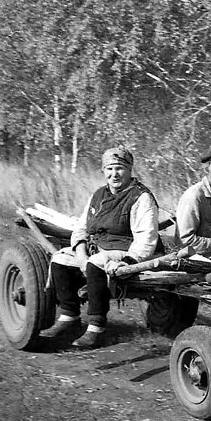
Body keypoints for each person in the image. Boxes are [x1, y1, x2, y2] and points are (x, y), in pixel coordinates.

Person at [42, 146, 160, 348]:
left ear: (130, 170)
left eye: (120, 168)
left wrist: (128, 262)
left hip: (123, 249)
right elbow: (81, 229)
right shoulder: (98, 195)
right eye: (110, 169)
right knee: (60, 259)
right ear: (103, 171)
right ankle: (69, 316)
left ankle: (96, 326)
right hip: (95, 247)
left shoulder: (141, 197)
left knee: (96, 263)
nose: (114, 174)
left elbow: (146, 239)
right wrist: (80, 254)